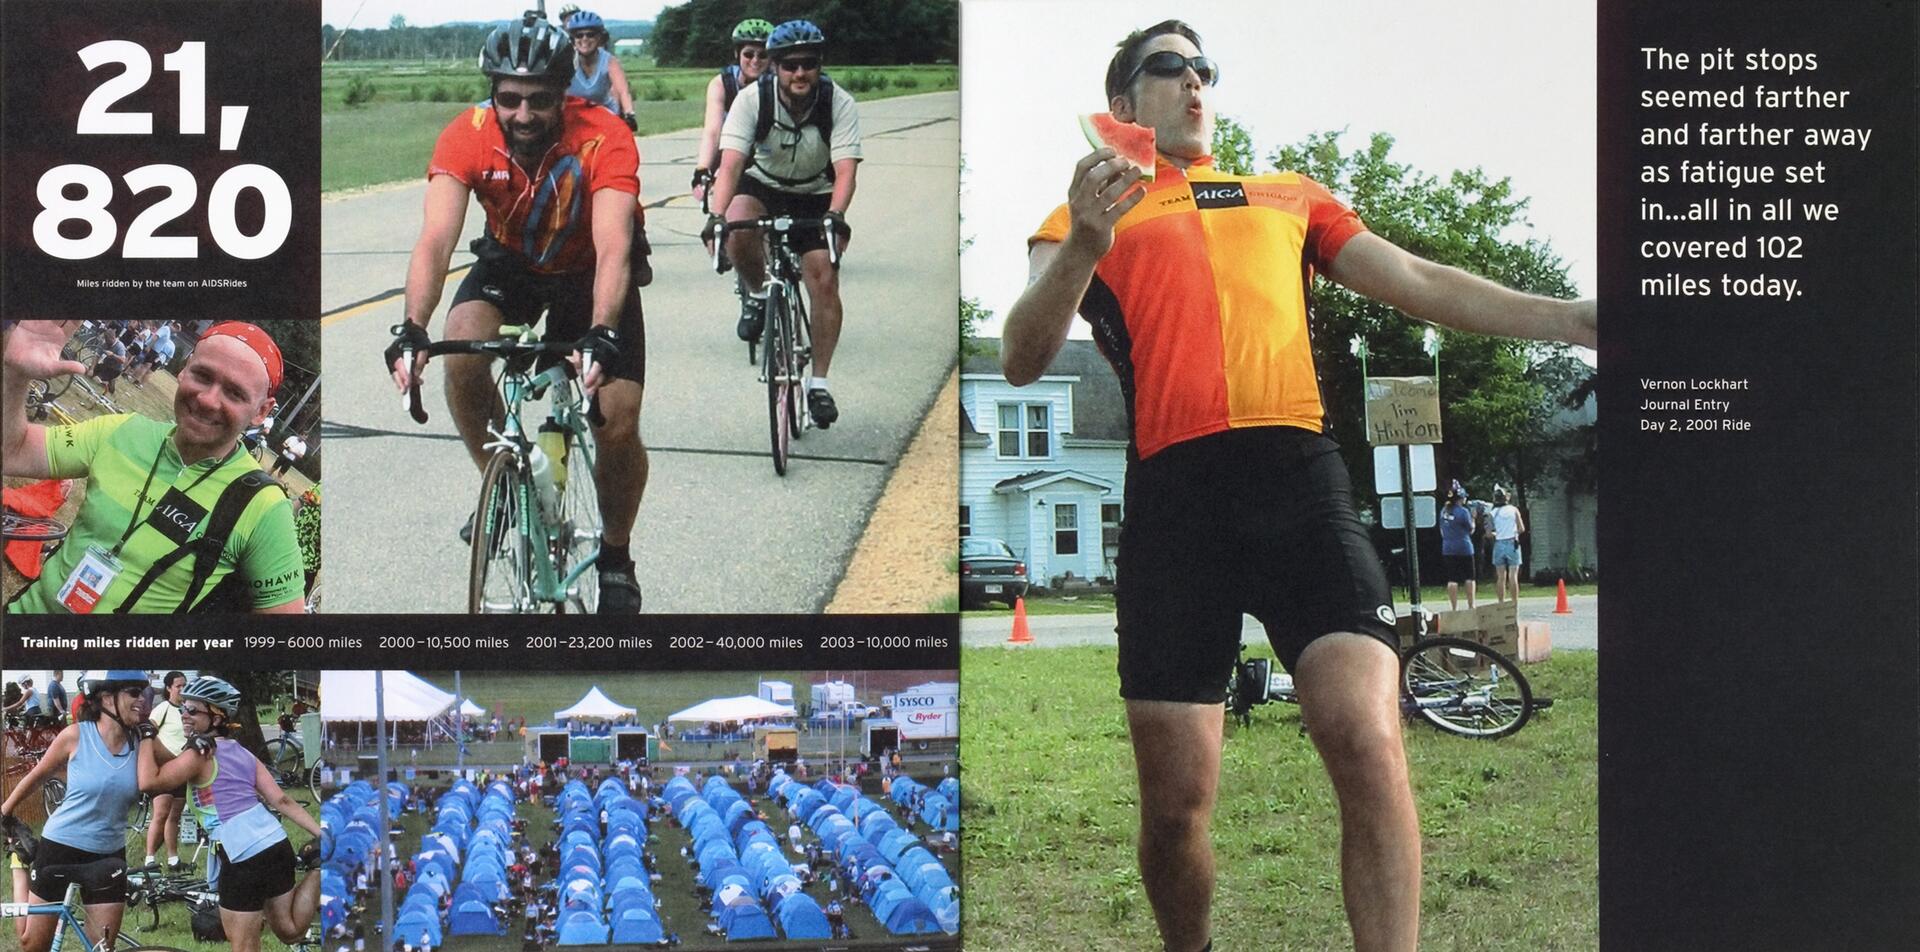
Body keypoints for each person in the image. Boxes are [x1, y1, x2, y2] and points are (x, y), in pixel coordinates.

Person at [999, 20, 1594, 952]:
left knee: (1367, 737)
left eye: (1205, 67)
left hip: (1299, 484)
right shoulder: (1083, 217)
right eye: (1169, 66)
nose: (1195, 81)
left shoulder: (1288, 196)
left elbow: (1416, 277)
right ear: (1121, 104)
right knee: (1175, 810)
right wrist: (1082, 241)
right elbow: (1022, 356)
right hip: (1176, 502)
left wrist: (1571, 319)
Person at [386, 13, 648, 613]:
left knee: (617, 418)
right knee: (460, 345)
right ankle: (503, 488)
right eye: (509, 99)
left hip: (589, 270)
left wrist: (602, 330)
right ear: (493, 93)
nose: (523, 114)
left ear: (564, 93)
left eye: (539, 100)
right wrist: (412, 327)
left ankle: (616, 555)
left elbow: (615, 246)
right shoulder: (468, 134)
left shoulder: (604, 134)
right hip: (512, 263)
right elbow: (435, 239)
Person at [3, 320, 307, 613]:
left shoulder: (263, 506)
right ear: (185, 368)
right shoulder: (121, 431)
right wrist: (15, 375)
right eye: (202, 376)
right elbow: (12, 452)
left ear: (261, 411)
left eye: (234, 393)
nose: (208, 400)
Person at [702, 19, 861, 427]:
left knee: (823, 278)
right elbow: (731, 165)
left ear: (820, 64)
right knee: (737, 226)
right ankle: (758, 293)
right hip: (763, 184)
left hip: (816, 191)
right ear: (774, 67)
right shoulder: (752, 100)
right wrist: (716, 217)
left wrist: (836, 216)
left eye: (809, 63)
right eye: (790, 65)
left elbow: (846, 170)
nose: (800, 73)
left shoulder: (838, 102)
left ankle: (819, 383)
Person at [139, 676, 326, 952]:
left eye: (193, 710)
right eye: (183, 708)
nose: (184, 715)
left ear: (216, 718)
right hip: (275, 843)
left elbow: (148, 782)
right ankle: (320, 870)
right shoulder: (241, 752)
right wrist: (323, 835)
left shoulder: (198, 755)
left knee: (243, 945)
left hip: (242, 854)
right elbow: (282, 800)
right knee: (289, 931)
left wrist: (145, 735)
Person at [0, 671, 151, 952]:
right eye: (134, 692)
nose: (142, 699)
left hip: (108, 854)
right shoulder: (75, 735)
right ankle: (19, 865)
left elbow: (179, 768)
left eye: (143, 692)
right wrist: (5, 814)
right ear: (107, 698)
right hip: (60, 847)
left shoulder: (142, 743)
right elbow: (38, 776)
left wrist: (204, 742)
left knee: (102, 947)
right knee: (33, 945)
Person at [691, 18, 774, 211]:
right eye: (749, 54)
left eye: (763, 55)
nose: (755, 61)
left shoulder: (779, 83)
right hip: (731, 147)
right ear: (737, 54)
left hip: (767, 149)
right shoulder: (722, 84)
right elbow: (713, 131)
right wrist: (702, 168)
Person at [143, 671, 191, 870]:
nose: (182, 689)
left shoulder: (187, 710)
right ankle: (149, 859)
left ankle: (173, 859)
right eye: (178, 686)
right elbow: (148, 733)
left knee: (174, 816)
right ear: (169, 688)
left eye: (184, 685)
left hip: (182, 769)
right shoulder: (163, 708)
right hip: (164, 768)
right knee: (161, 813)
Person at [562, 12, 634, 128]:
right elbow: (556, 91)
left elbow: (623, 91)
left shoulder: (609, 61)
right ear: (573, 39)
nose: (584, 39)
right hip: (575, 118)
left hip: (605, 117)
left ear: (599, 38)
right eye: (579, 35)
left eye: (590, 35)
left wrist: (629, 114)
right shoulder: (566, 62)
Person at [1440, 482, 1477, 610]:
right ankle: (1471, 605)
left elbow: (1442, 530)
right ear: (1461, 498)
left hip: (1448, 548)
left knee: (1452, 579)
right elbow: (1470, 530)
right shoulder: (1463, 512)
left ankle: (1454, 607)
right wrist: (1473, 519)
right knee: (1469, 577)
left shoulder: (1444, 511)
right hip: (1464, 547)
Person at [1488, 485, 1526, 602]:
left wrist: (1496, 533)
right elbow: (1521, 528)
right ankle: (1514, 602)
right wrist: (1514, 532)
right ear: (1506, 498)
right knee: (1513, 575)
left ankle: (1501, 602)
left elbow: (1488, 533)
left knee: (1501, 577)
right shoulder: (1514, 510)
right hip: (1512, 542)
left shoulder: (1493, 513)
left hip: (1499, 543)